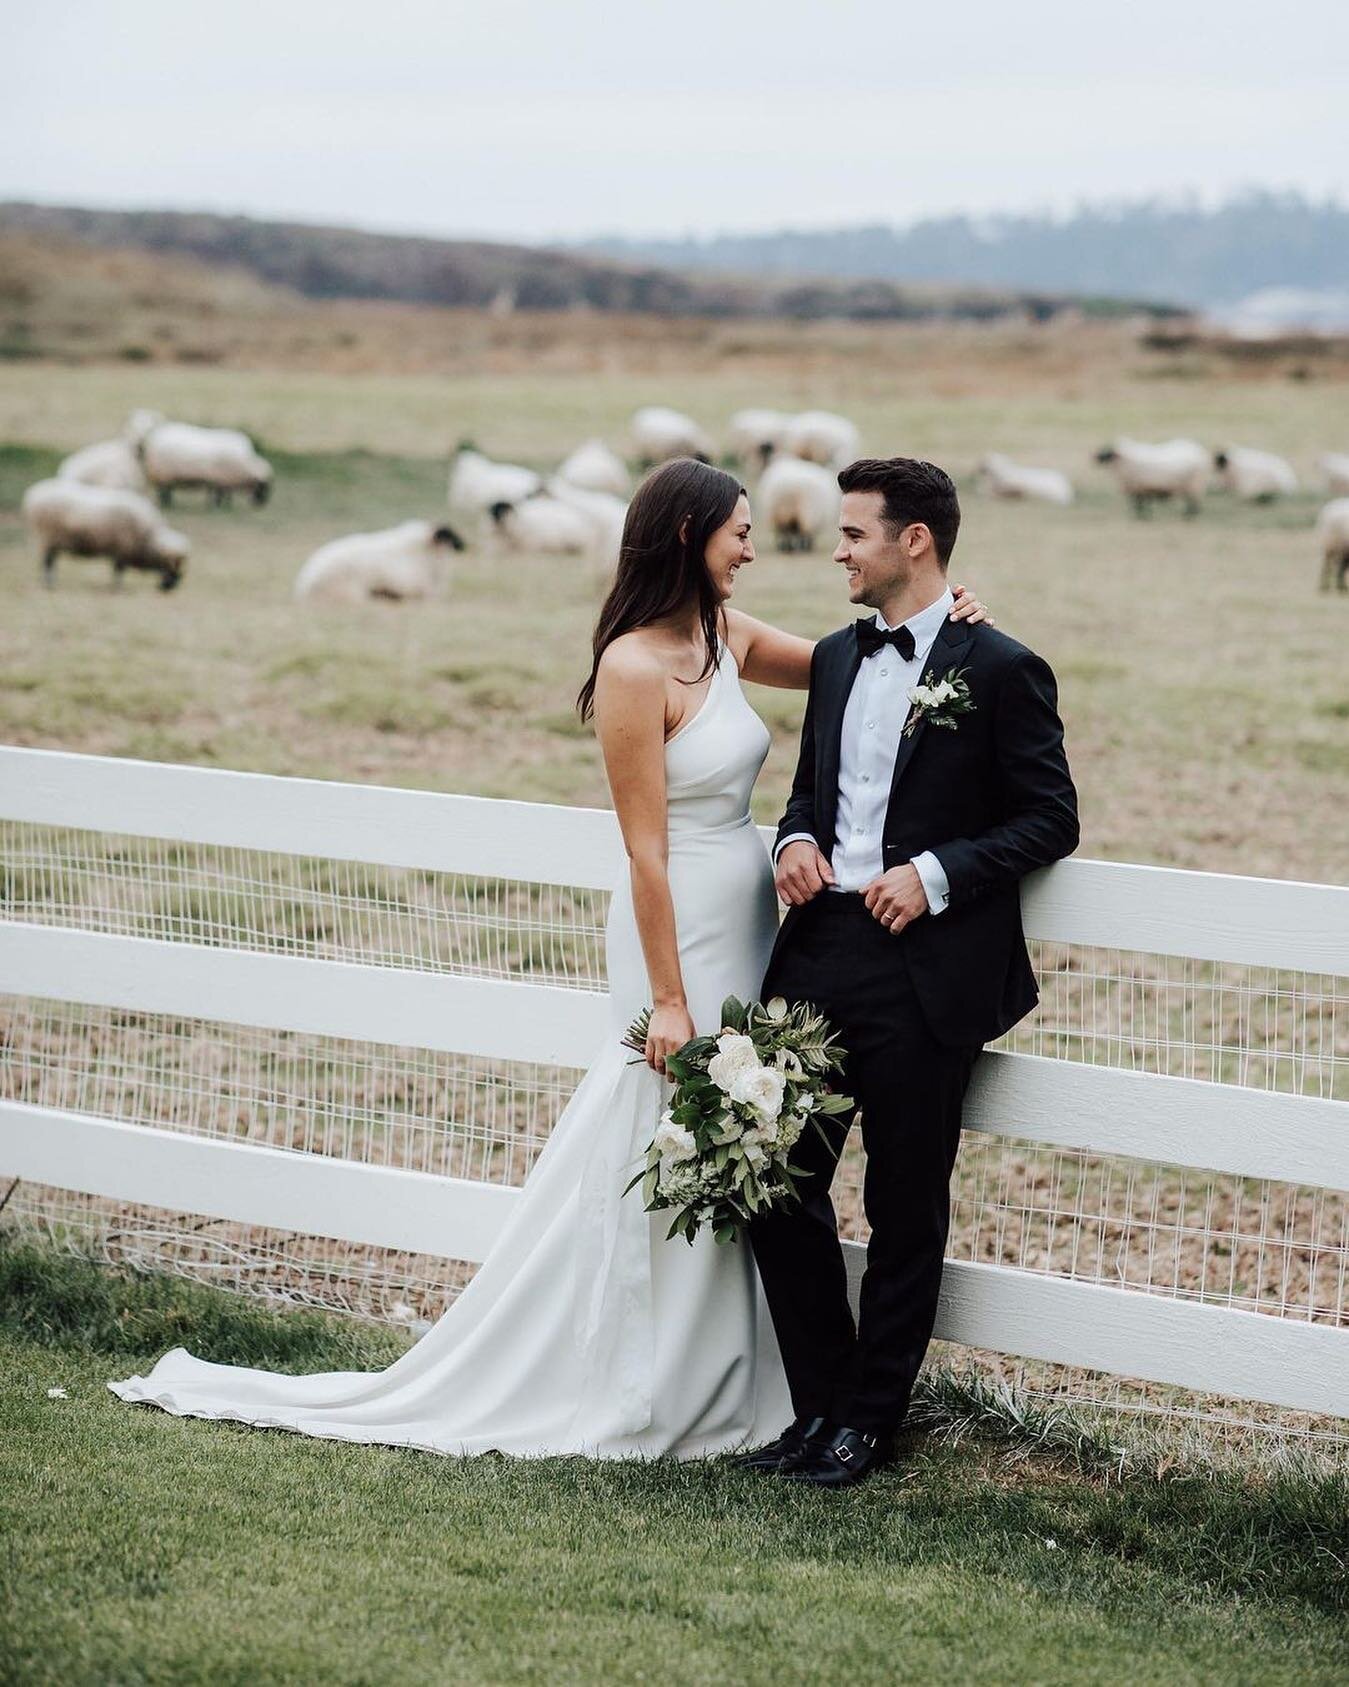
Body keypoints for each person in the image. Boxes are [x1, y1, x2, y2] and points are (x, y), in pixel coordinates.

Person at [108, 458, 991, 1459]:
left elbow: (858, 660)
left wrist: (942, 614)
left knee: (742, 1141)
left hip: (750, 922)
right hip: (675, 923)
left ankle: (757, 1378)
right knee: (672, 1122)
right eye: (737, 531)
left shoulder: (727, 636)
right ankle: (644, 1376)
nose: (754, 546)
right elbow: (643, 848)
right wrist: (665, 995)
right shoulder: (629, 665)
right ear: (684, 536)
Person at [742, 456, 1079, 1488]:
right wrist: (792, 842)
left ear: (913, 541)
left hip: (923, 969)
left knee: (903, 1201)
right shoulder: (841, 659)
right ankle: (822, 1402)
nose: (835, 549)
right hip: (816, 950)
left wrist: (932, 876)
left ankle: (868, 1423)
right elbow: (811, 794)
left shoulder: (1003, 667)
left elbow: (1048, 816)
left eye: (852, 534)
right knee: (768, 1175)